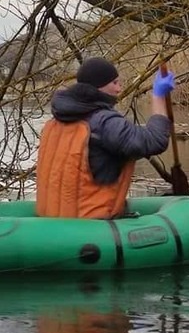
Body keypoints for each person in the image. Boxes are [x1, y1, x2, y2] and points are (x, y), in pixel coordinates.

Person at [36, 57, 176, 219]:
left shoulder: (56, 121)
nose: (119, 89)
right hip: (92, 221)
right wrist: (158, 96)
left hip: (54, 217)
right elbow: (154, 141)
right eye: (115, 83)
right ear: (99, 87)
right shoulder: (105, 122)